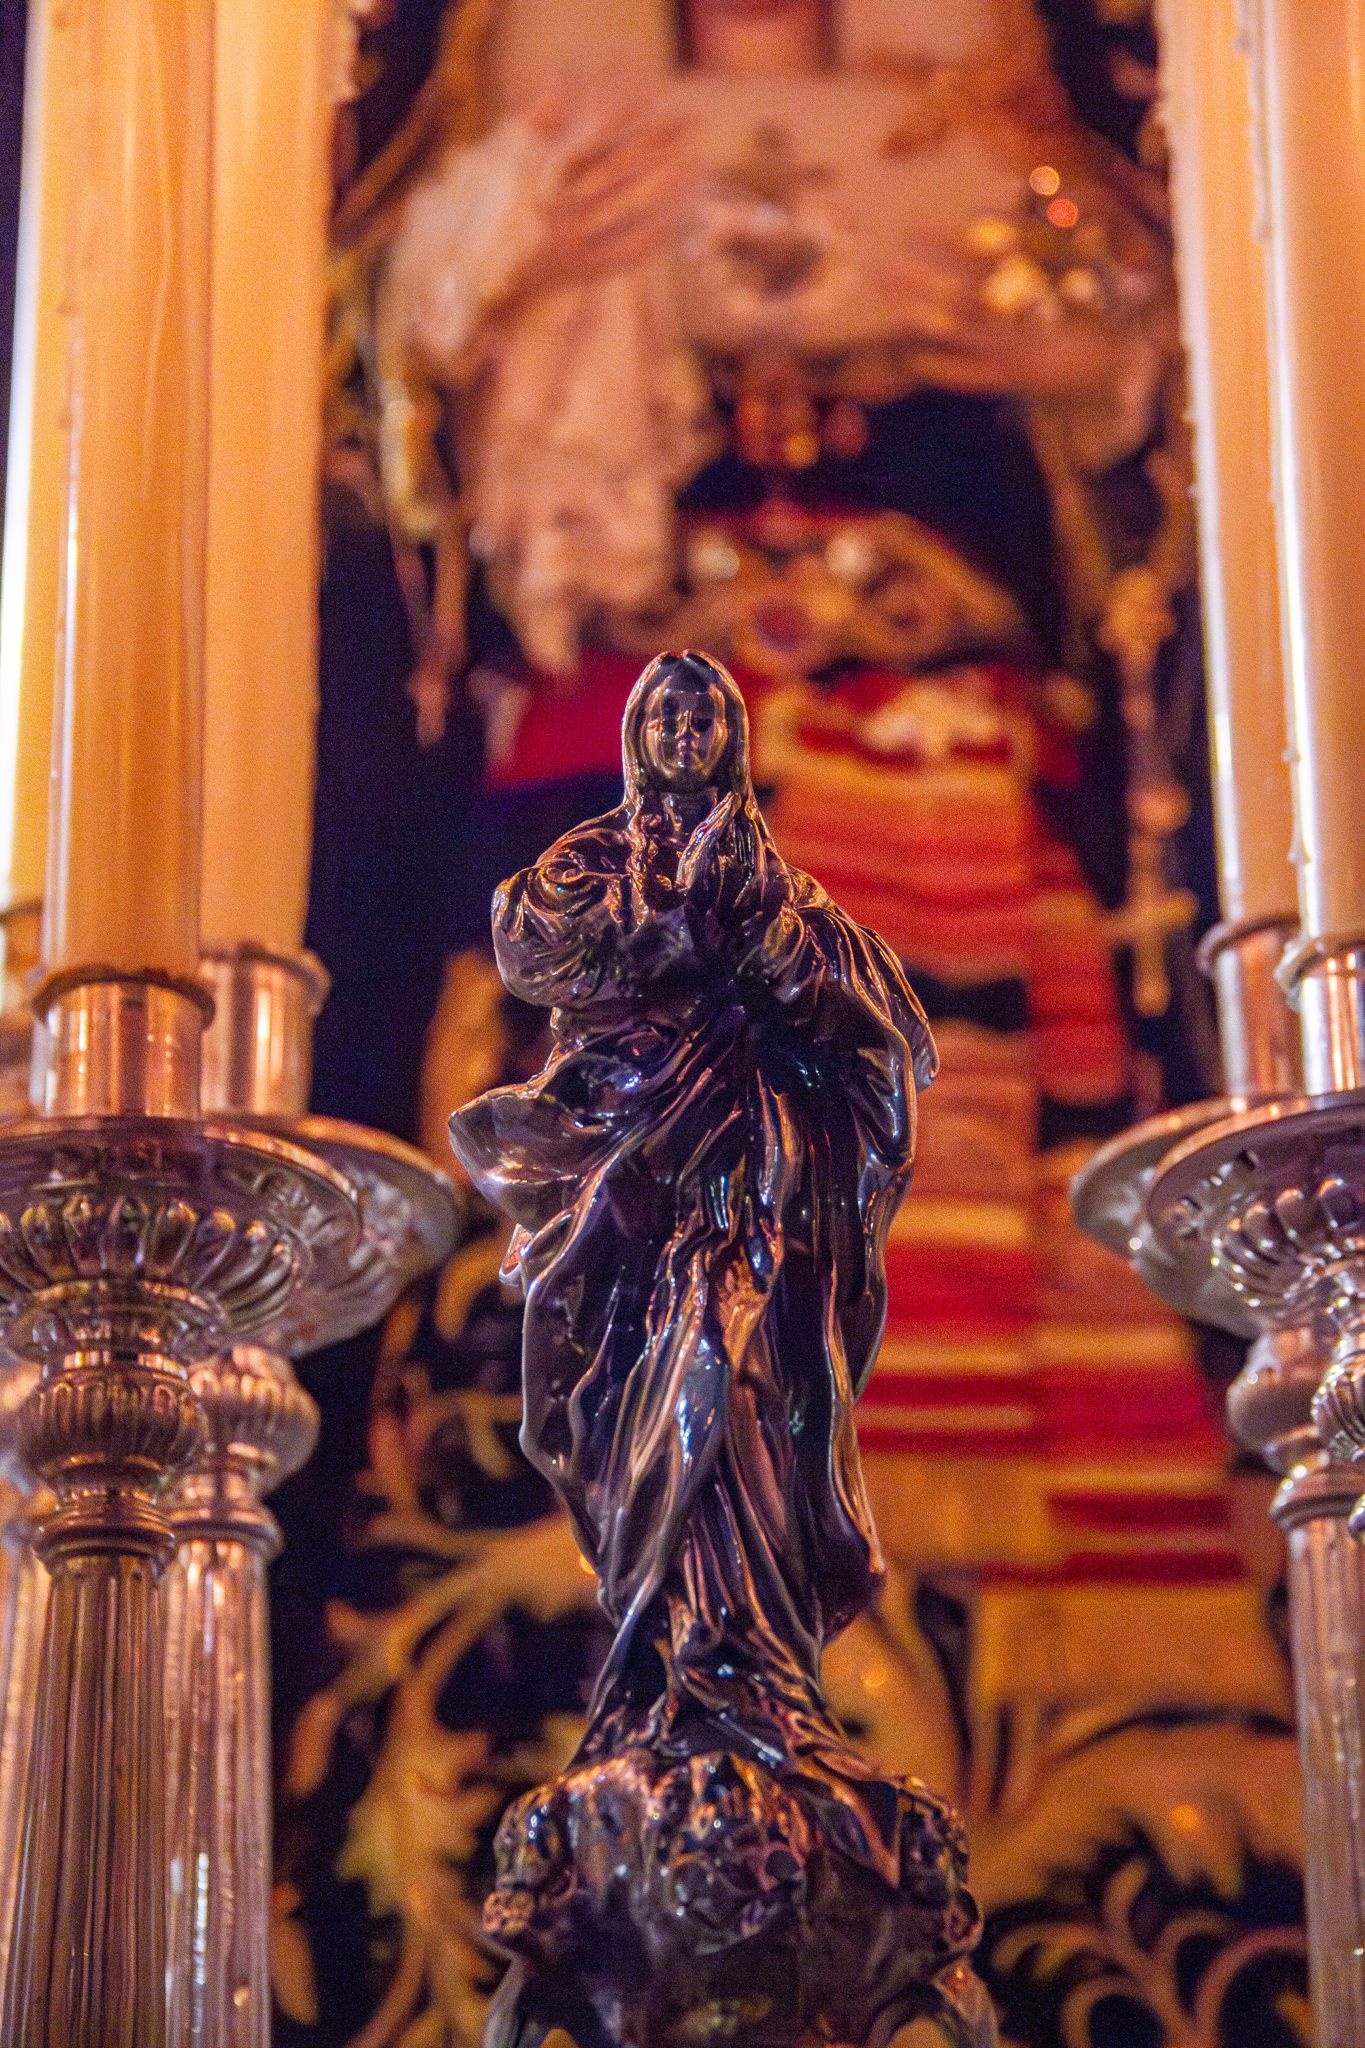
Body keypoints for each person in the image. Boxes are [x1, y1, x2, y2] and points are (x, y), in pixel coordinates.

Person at [448, 651, 937, 1767]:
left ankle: (750, 1661)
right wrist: (660, 919)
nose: (680, 734)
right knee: (632, 1405)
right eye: (663, 715)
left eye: (700, 717)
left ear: (731, 739)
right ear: (636, 734)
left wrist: (770, 945)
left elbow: (880, 1032)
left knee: (748, 1386)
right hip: (631, 1204)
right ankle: (667, 1654)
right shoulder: (593, 865)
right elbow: (532, 945)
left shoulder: (780, 890)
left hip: (753, 1197)